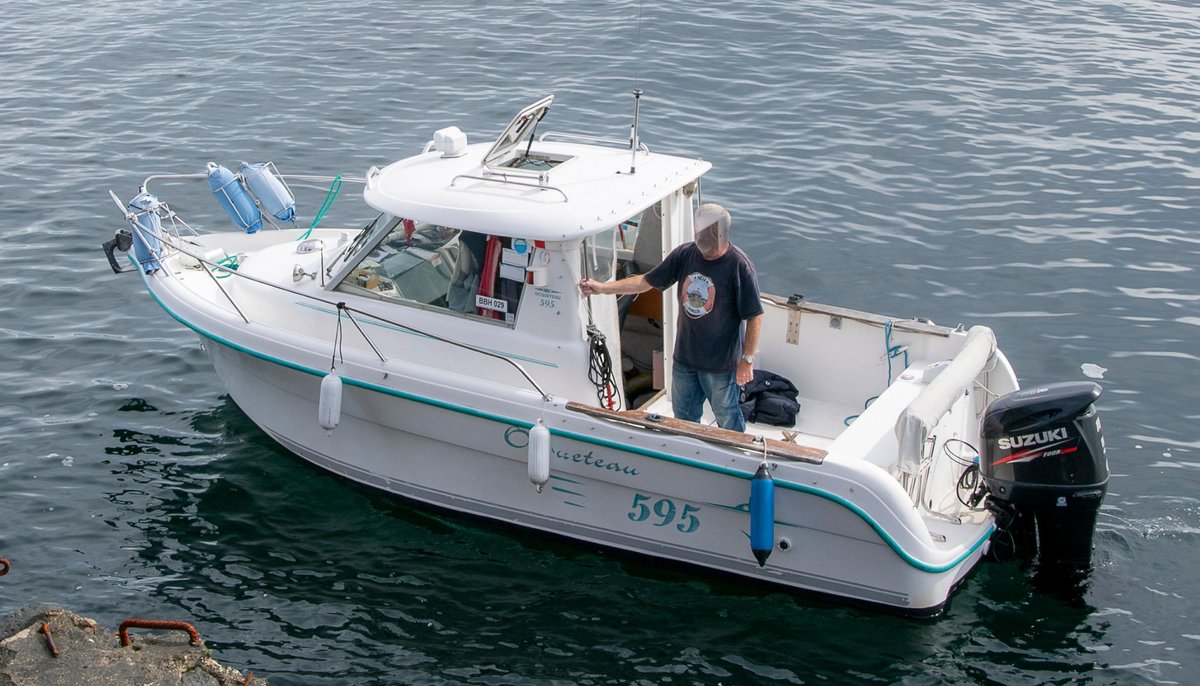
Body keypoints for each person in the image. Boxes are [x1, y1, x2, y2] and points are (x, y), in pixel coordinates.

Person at [580, 203, 763, 431]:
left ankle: (737, 458)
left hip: (721, 365)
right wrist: (603, 288)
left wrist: (746, 361)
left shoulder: (739, 266)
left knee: (727, 417)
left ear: (720, 233)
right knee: (683, 417)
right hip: (685, 359)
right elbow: (645, 282)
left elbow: (755, 316)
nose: (701, 239)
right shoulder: (685, 254)